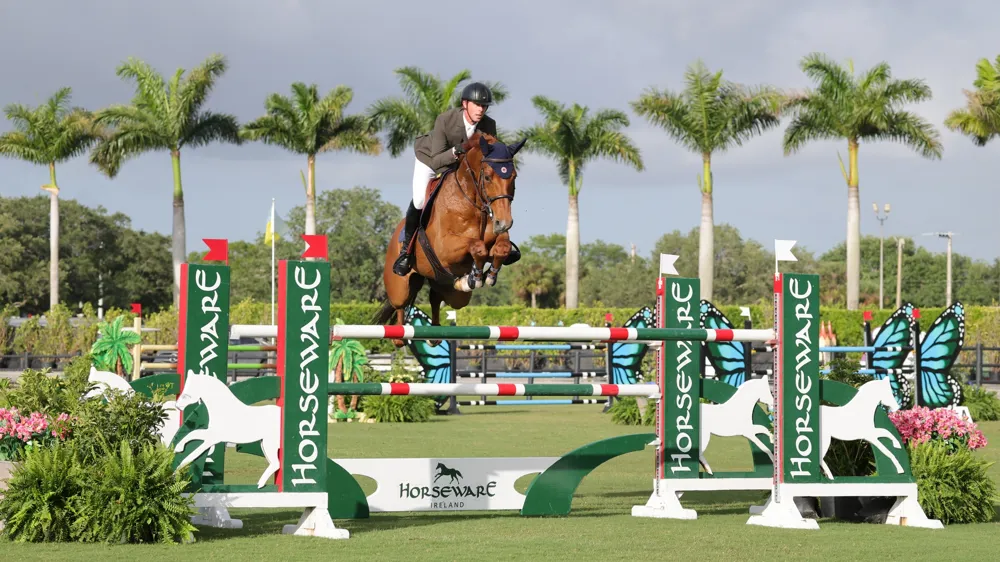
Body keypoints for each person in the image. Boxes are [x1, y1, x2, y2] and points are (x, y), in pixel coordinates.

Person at [393, 81, 519, 276]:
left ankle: (499, 240)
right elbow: (437, 160)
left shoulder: (488, 125)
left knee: (486, 192)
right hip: (430, 159)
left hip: (461, 166)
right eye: (477, 105)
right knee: (419, 200)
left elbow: (488, 157)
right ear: (465, 104)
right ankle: (406, 252)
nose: (481, 109)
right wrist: (459, 150)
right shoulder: (445, 120)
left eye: (484, 106)